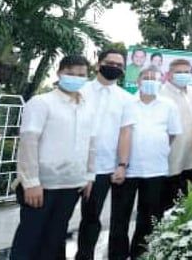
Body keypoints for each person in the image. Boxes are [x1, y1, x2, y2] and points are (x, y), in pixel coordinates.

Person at [11, 55, 95, 260]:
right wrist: (30, 182)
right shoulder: (41, 103)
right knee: (30, 238)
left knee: (55, 239)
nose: (75, 78)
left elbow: (91, 143)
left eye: (81, 75)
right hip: (41, 186)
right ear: (59, 73)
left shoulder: (87, 106)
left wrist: (89, 175)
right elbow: (29, 142)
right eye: (70, 74)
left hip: (72, 184)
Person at [110, 67, 181, 259]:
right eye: (146, 77)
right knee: (119, 218)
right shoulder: (127, 103)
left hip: (156, 170)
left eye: (155, 78)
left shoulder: (169, 106)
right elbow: (122, 133)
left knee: (148, 218)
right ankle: (117, 255)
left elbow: (172, 134)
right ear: (138, 81)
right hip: (127, 170)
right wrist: (122, 164)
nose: (150, 81)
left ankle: (139, 254)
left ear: (161, 81)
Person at [76, 49, 136, 260]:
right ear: (98, 63)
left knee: (91, 218)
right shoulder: (80, 90)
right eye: (110, 62)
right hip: (72, 166)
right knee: (60, 217)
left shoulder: (126, 99)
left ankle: (85, 256)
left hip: (103, 168)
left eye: (119, 65)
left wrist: (122, 165)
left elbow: (125, 132)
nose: (114, 67)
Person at [159, 58, 192, 210]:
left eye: (186, 72)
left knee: (184, 201)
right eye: (178, 72)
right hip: (170, 158)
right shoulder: (161, 94)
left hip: (191, 158)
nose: (183, 75)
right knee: (166, 203)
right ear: (169, 74)